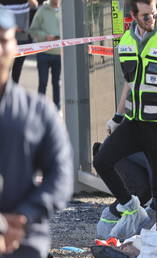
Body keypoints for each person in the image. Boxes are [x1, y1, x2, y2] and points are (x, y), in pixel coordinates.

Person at [93, 0, 157, 238]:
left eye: (154, 13)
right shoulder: (126, 42)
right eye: (146, 15)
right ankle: (130, 206)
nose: (152, 18)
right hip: (135, 122)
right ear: (133, 16)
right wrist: (118, 116)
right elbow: (128, 83)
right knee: (102, 161)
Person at [0, 7, 73, 258]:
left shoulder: (39, 111)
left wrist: (22, 217)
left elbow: (60, 177)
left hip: (25, 242)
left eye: (3, 40)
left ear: (14, 46)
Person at [29, 0, 61, 109]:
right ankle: (39, 109)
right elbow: (32, 30)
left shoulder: (65, 11)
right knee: (43, 83)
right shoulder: (42, 11)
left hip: (59, 53)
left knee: (57, 83)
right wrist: (45, 36)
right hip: (43, 53)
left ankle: (57, 108)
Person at [0, 0, 38, 83]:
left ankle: (12, 91)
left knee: (17, 71)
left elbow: (35, 5)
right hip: (6, 41)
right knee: (5, 69)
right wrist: (14, 28)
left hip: (22, 40)